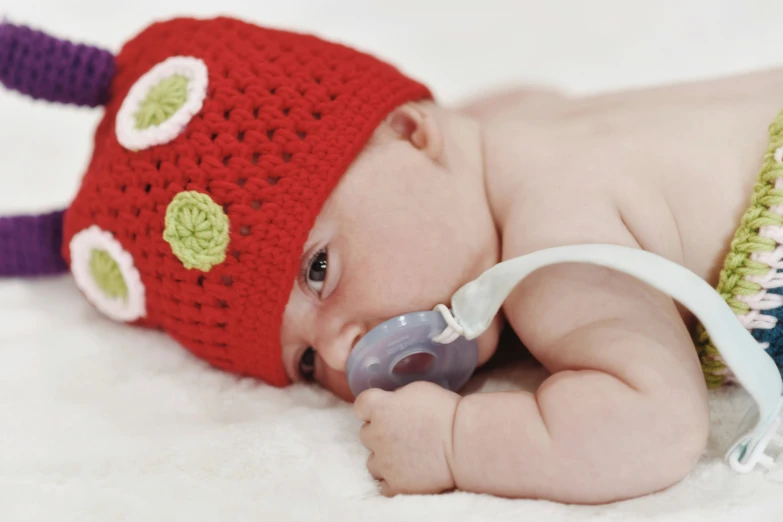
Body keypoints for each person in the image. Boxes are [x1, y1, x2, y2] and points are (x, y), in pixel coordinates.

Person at [3, 15, 783, 504]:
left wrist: (454, 444)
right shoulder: (504, 127)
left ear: (414, 134)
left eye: (317, 272)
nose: (346, 351)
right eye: (306, 362)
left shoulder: (554, 254)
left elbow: (657, 426)